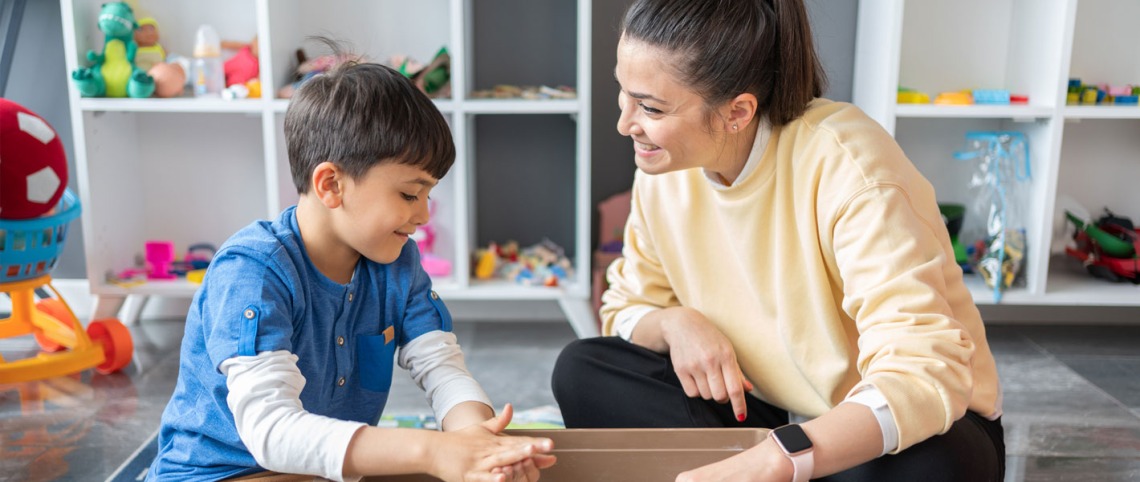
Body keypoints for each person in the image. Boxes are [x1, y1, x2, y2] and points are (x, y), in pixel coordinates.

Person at [551, 1, 1004, 481]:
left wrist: (773, 462)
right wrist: (673, 323)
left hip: (876, 428)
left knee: (933, 464)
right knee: (584, 368)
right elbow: (625, 308)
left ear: (737, 112)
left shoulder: (850, 166)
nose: (624, 123)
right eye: (623, 93)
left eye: (650, 107)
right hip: (762, 413)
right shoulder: (665, 169)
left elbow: (924, 373)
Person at [147, 46, 555, 482]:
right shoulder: (253, 272)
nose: (423, 216)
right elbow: (271, 432)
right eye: (408, 194)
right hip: (218, 474)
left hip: (320, 472)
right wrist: (434, 451)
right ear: (331, 185)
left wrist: (477, 443)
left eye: (428, 195)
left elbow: (441, 365)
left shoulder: (396, 262)